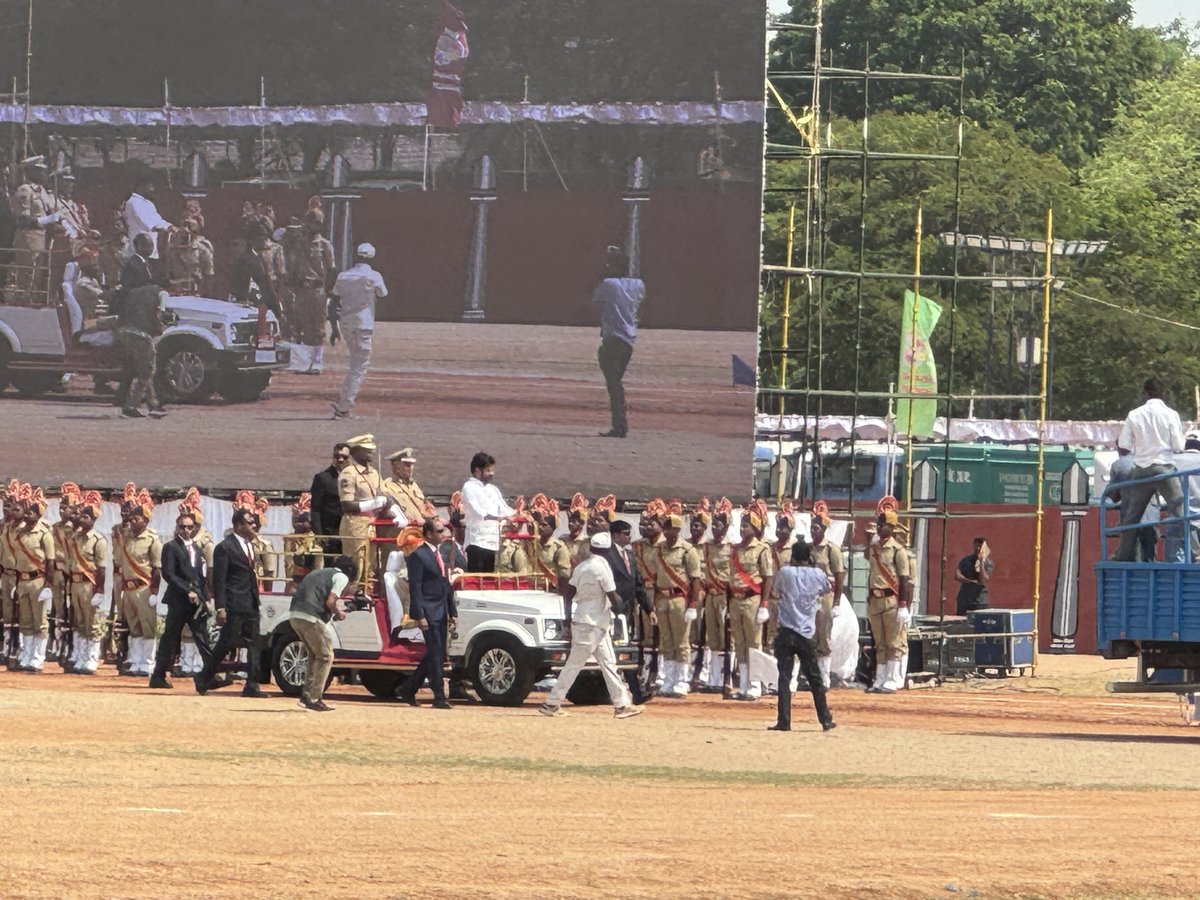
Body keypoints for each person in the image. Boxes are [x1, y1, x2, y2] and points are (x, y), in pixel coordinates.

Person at [539, 532, 644, 719]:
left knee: (608, 663)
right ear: (607, 550)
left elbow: (568, 594)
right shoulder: (602, 569)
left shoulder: (581, 567)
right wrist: (624, 603)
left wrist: (567, 619)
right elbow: (613, 597)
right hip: (593, 624)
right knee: (575, 665)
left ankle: (622, 705)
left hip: (587, 621)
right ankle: (552, 703)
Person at [1115, 377, 1186, 562]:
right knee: (1179, 512)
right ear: (1163, 393)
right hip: (1164, 468)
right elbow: (1179, 445)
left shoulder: (1134, 414)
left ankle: (1123, 554)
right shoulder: (1171, 414)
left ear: (1145, 393)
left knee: (1132, 516)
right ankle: (1185, 554)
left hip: (1142, 470)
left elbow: (1124, 443)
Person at [196, 508, 265, 697]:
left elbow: (252, 575)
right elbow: (220, 580)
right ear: (238, 525)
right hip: (234, 602)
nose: (253, 526)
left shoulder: (252, 546)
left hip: (249, 602)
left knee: (254, 643)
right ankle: (204, 676)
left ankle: (252, 685)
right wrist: (221, 607)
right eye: (249, 522)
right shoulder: (225, 547)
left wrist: (256, 602)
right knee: (226, 643)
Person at [769, 542, 836, 733]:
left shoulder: (785, 572)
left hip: (787, 629)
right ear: (809, 557)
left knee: (784, 677)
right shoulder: (818, 574)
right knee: (815, 679)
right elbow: (826, 589)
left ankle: (784, 721)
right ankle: (825, 719)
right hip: (806, 632)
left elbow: (776, 592)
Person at [149, 512, 214, 689]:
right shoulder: (170, 547)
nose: (186, 530)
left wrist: (206, 597)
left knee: (203, 636)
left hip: (195, 602)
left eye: (189, 527)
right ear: (177, 528)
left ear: (195, 529)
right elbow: (168, 574)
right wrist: (187, 591)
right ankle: (158, 675)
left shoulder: (198, 549)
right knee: (170, 638)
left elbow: (201, 577)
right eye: (182, 527)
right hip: (178, 600)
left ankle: (210, 675)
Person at [397, 518, 457, 709]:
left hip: (441, 609)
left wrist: (452, 611)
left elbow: (446, 585)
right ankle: (438, 695)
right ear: (429, 534)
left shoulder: (442, 554)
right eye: (440, 531)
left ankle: (408, 688)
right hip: (428, 610)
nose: (444, 534)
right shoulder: (418, 556)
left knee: (436, 652)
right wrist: (419, 615)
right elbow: (416, 587)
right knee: (435, 652)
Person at [330, 242, 388, 420]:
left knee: (355, 365)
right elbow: (383, 294)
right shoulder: (374, 276)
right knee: (358, 367)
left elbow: (333, 304)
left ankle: (344, 403)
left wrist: (334, 329)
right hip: (364, 324)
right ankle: (344, 406)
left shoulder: (343, 276)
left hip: (346, 324)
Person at [289, 555, 355, 712]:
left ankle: (306, 695)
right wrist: (339, 613)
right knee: (326, 656)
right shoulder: (341, 577)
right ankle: (315, 697)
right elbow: (330, 601)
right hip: (312, 617)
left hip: (294, 616)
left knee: (314, 655)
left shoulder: (318, 573)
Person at [592, 245, 645, 438]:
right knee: (615, 383)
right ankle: (619, 423)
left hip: (612, 339)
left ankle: (620, 425)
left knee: (614, 384)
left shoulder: (608, 284)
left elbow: (596, 303)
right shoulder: (638, 284)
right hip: (629, 341)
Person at [649, 512, 702, 698]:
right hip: (662, 598)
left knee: (682, 641)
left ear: (679, 530)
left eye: (673, 528)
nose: (669, 532)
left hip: (679, 599)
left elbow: (695, 579)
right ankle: (669, 680)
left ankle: (681, 680)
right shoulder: (659, 549)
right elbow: (655, 577)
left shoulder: (688, 550)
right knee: (666, 640)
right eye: (666, 528)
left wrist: (693, 605)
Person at [728, 501, 775, 700]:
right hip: (735, 600)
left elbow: (768, 578)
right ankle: (744, 683)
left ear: (755, 528)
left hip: (753, 599)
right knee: (739, 642)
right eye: (741, 524)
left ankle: (756, 683)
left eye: (746, 525)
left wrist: (764, 605)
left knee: (754, 643)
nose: (742, 528)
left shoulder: (762, 549)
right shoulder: (735, 549)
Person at [866, 505, 913, 694]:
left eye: (883, 525)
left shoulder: (898, 551)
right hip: (875, 601)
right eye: (879, 524)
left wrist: (904, 605)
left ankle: (893, 678)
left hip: (892, 600)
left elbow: (905, 581)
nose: (879, 527)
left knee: (894, 642)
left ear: (892, 528)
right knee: (880, 643)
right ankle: (880, 678)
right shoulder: (874, 548)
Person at [117, 489, 162, 677]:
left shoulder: (153, 540)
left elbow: (157, 568)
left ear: (145, 521)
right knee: (134, 626)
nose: (132, 522)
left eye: (136, 519)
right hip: (128, 588)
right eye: (131, 519)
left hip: (144, 588)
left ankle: (148, 662)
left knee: (147, 626)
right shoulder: (125, 538)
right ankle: (135, 660)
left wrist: (154, 592)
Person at [288, 198, 335, 374]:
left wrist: (330, 291)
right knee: (300, 324)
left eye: (316, 223)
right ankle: (303, 361)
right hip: (301, 289)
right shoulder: (299, 243)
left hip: (317, 289)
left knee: (317, 325)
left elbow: (331, 269)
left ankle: (317, 360)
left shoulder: (324, 245)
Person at [338, 434, 394, 583]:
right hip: (355, 524)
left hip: (373, 523)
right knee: (358, 563)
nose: (371, 452)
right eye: (366, 450)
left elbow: (385, 496)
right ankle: (353, 593)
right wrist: (373, 504)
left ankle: (367, 591)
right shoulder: (349, 474)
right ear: (356, 451)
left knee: (372, 563)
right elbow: (346, 505)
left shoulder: (374, 473)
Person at [6, 156, 60, 303]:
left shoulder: (42, 191)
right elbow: (23, 218)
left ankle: (32, 298)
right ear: (30, 172)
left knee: (38, 272)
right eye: (39, 171)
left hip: (42, 236)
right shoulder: (24, 190)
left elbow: (51, 210)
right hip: (28, 235)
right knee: (27, 272)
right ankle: (22, 299)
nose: (43, 174)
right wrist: (45, 220)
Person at [12, 487, 55, 672]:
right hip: (22, 581)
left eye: (30, 512)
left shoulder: (44, 534)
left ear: (37, 515)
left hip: (38, 580)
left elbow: (50, 561)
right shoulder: (19, 533)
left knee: (40, 621)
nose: (27, 514)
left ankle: (38, 657)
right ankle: (27, 655)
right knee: (26, 620)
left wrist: (48, 585)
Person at [67, 492, 108, 675]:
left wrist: (99, 591)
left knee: (91, 622)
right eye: (81, 516)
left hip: (88, 584)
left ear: (93, 520)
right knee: (79, 622)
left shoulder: (98, 540)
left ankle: (92, 658)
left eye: (86, 517)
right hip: (75, 584)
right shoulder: (75, 537)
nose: (82, 519)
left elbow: (101, 569)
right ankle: (81, 656)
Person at [808, 503, 845, 689]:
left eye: (816, 528)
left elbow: (839, 576)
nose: (813, 531)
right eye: (811, 528)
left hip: (824, 598)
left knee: (823, 636)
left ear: (823, 529)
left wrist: (837, 601)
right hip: (808, 599)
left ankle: (824, 677)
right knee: (809, 636)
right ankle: (811, 675)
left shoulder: (831, 550)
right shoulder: (806, 549)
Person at [461, 452, 515, 572]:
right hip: (477, 541)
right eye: (488, 470)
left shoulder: (493, 489)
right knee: (477, 581)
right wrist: (497, 518)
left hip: (492, 541)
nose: (492, 474)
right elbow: (478, 512)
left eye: (492, 470)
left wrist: (518, 516)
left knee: (489, 580)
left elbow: (505, 509)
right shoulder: (469, 487)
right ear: (477, 470)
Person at [1106, 448, 1159, 562]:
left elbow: (1113, 494)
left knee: (1130, 553)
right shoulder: (1151, 461)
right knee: (1149, 554)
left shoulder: (1119, 464)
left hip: (1131, 514)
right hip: (1152, 515)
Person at [310, 442, 350, 554]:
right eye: (337, 456)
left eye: (344, 457)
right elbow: (315, 509)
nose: (341, 459)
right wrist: (319, 534)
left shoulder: (355, 478)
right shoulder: (322, 478)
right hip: (331, 534)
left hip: (351, 532)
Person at [122, 176, 172, 265]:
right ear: (141, 186)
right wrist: (163, 229)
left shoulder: (149, 203)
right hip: (139, 247)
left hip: (151, 249)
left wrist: (170, 226)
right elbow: (146, 222)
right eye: (151, 186)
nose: (153, 189)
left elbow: (158, 220)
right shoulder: (133, 202)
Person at [382, 448, 427, 523]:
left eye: (412, 465)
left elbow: (425, 506)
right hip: (403, 530)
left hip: (421, 528)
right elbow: (388, 510)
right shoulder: (386, 486)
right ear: (396, 467)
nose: (411, 469)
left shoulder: (413, 485)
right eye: (407, 465)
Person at [954, 537, 994, 616]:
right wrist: (970, 581)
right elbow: (957, 575)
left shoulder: (988, 563)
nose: (978, 549)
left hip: (979, 601)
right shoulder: (966, 560)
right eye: (976, 546)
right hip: (964, 600)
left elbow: (983, 580)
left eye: (980, 547)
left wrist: (981, 562)